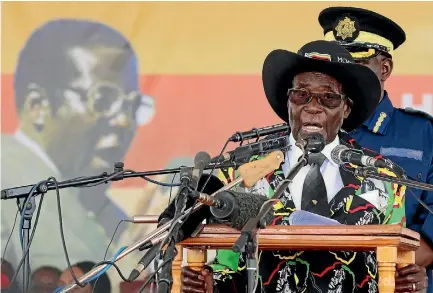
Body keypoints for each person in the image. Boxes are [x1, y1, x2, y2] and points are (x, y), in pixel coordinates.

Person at [173, 40, 428, 292]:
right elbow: (226, 267)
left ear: (346, 108)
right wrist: (209, 286)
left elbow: (392, 268)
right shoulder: (240, 172)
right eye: (301, 94)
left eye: (328, 97)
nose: (313, 107)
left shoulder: (382, 174)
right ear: (289, 102)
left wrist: (408, 281)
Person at [1, 19, 155, 275]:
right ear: (38, 106)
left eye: (133, 105)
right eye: (103, 100)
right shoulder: (8, 179)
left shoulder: (105, 210)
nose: (124, 121)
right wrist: (133, 265)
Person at [318, 7, 433, 292]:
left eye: (356, 64)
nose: (344, 75)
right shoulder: (311, 131)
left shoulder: (423, 132)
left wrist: (384, 270)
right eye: (337, 65)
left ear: (385, 69)